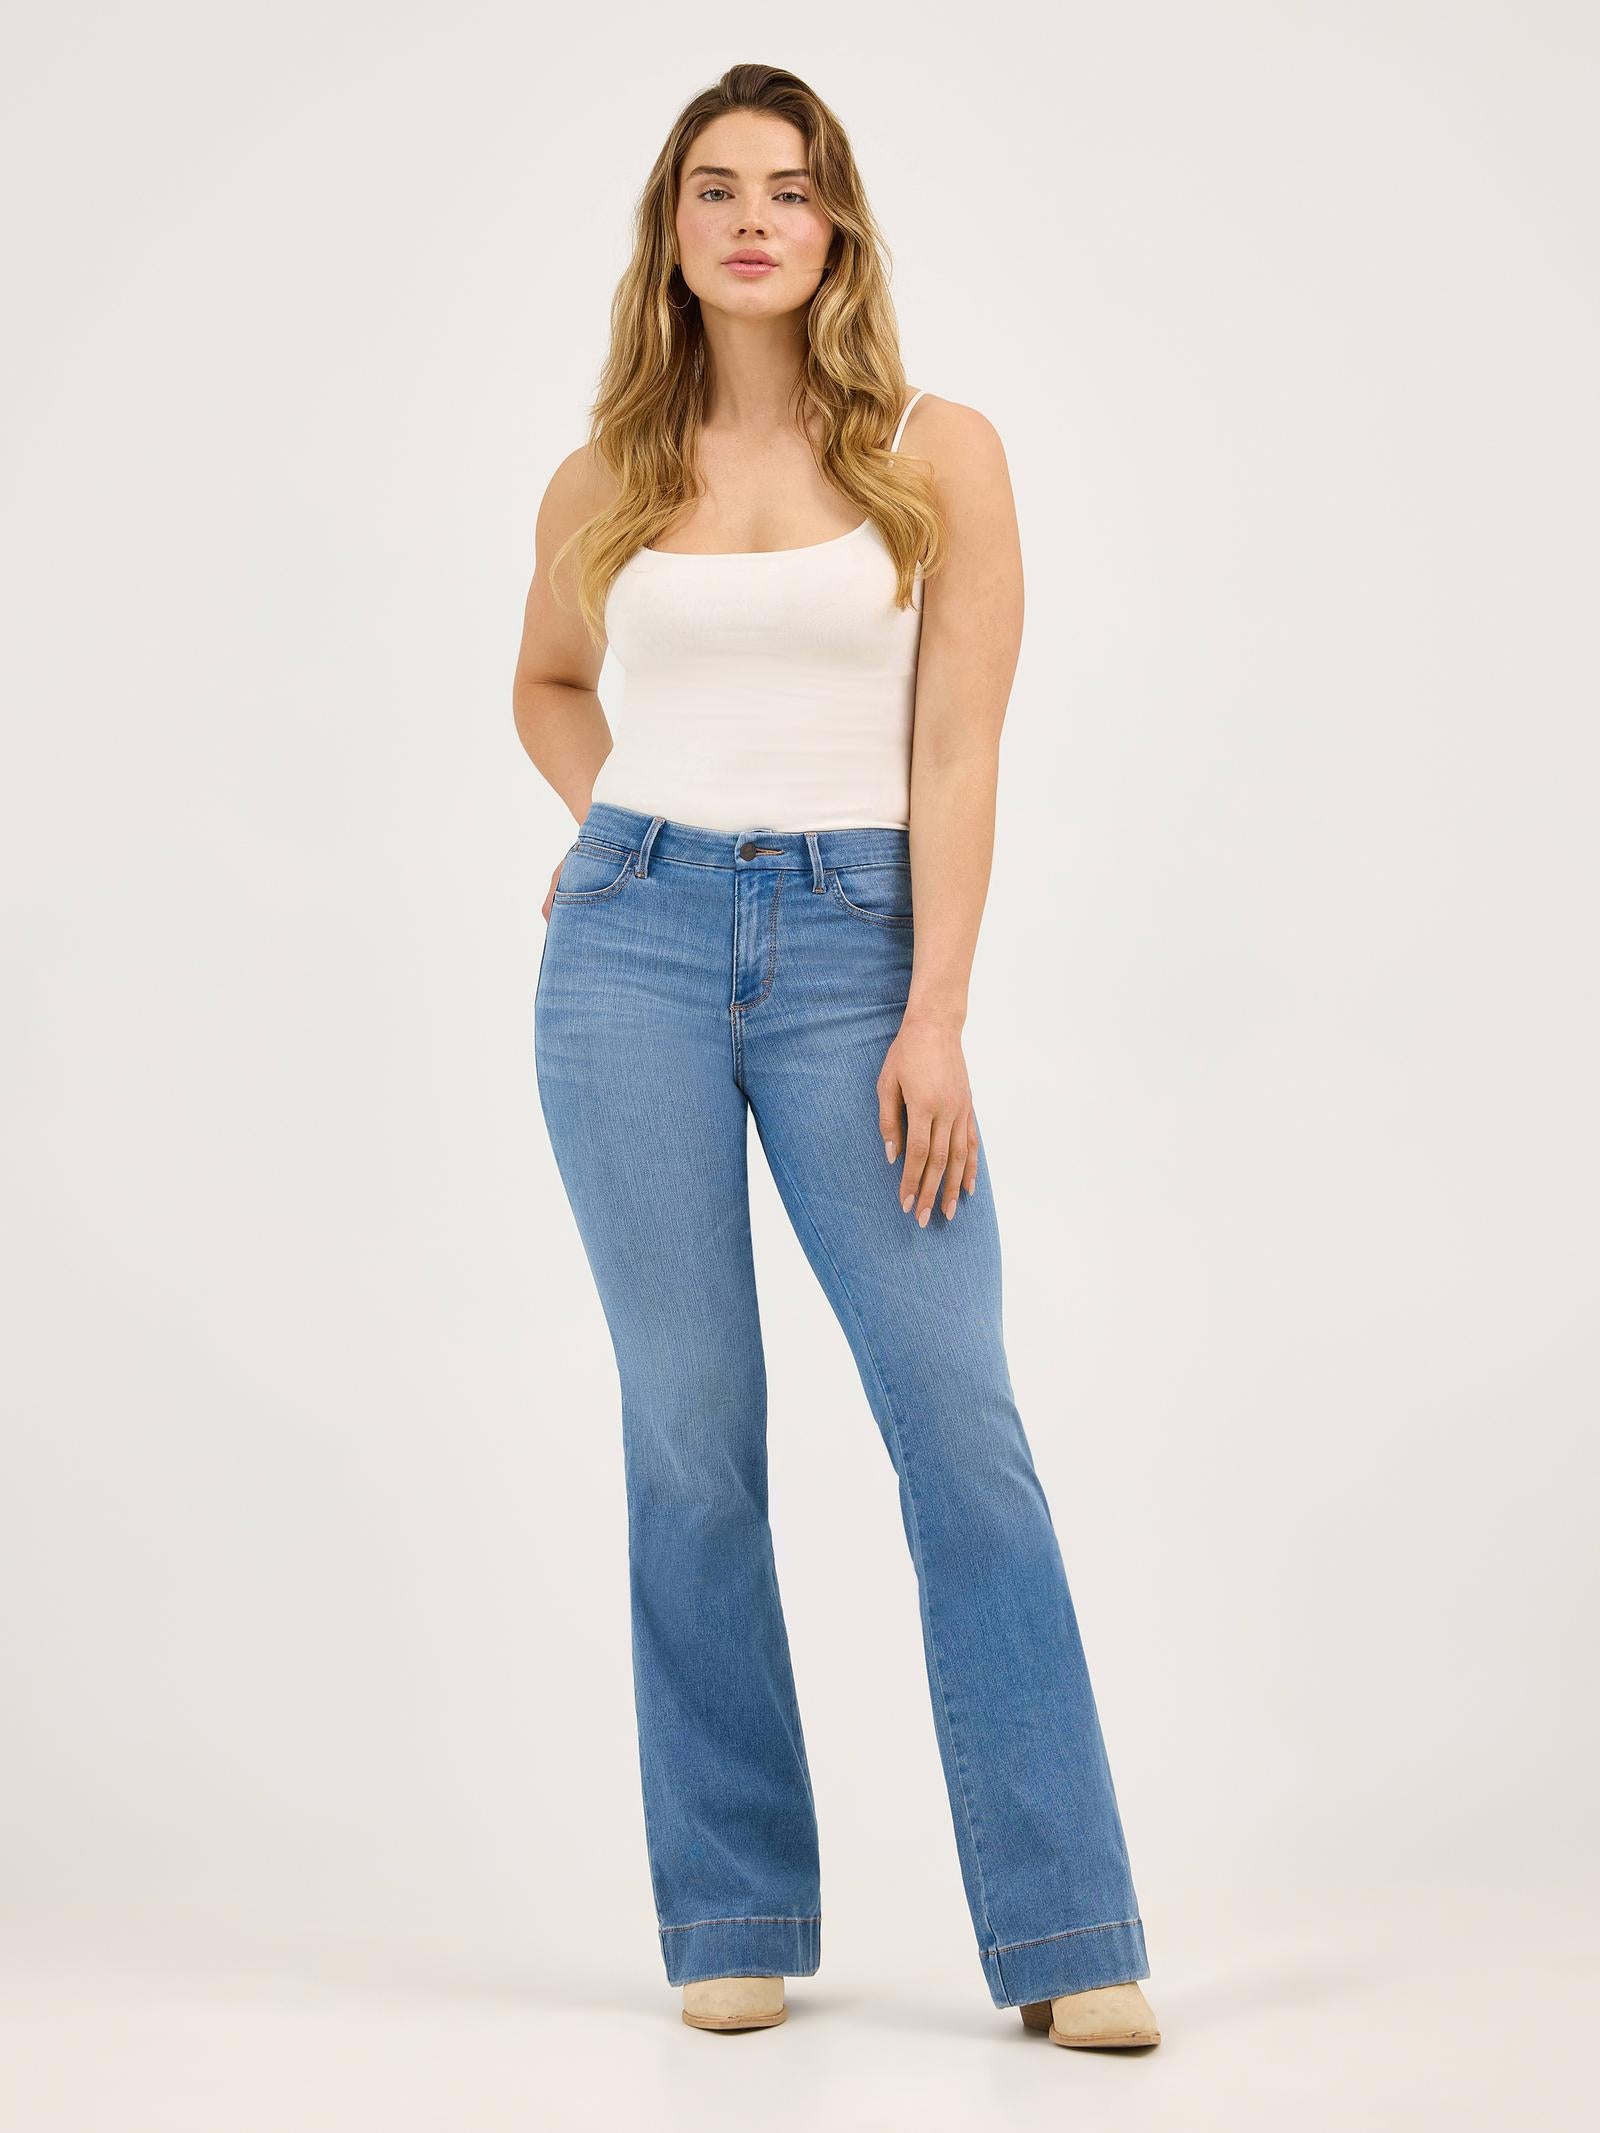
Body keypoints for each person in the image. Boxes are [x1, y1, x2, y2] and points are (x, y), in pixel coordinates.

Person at [511, 61, 1160, 2052]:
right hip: (628, 953)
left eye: (787, 189)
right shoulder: (604, 473)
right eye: (715, 189)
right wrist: (613, 835)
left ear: (835, 225)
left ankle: (1068, 1930)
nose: (752, 220)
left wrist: (933, 1007)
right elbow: (546, 682)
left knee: (956, 1417)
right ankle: (731, 1904)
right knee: (689, 1430)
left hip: (857, 955)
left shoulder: (935, 451)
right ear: (673, 229)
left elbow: (957, 746)